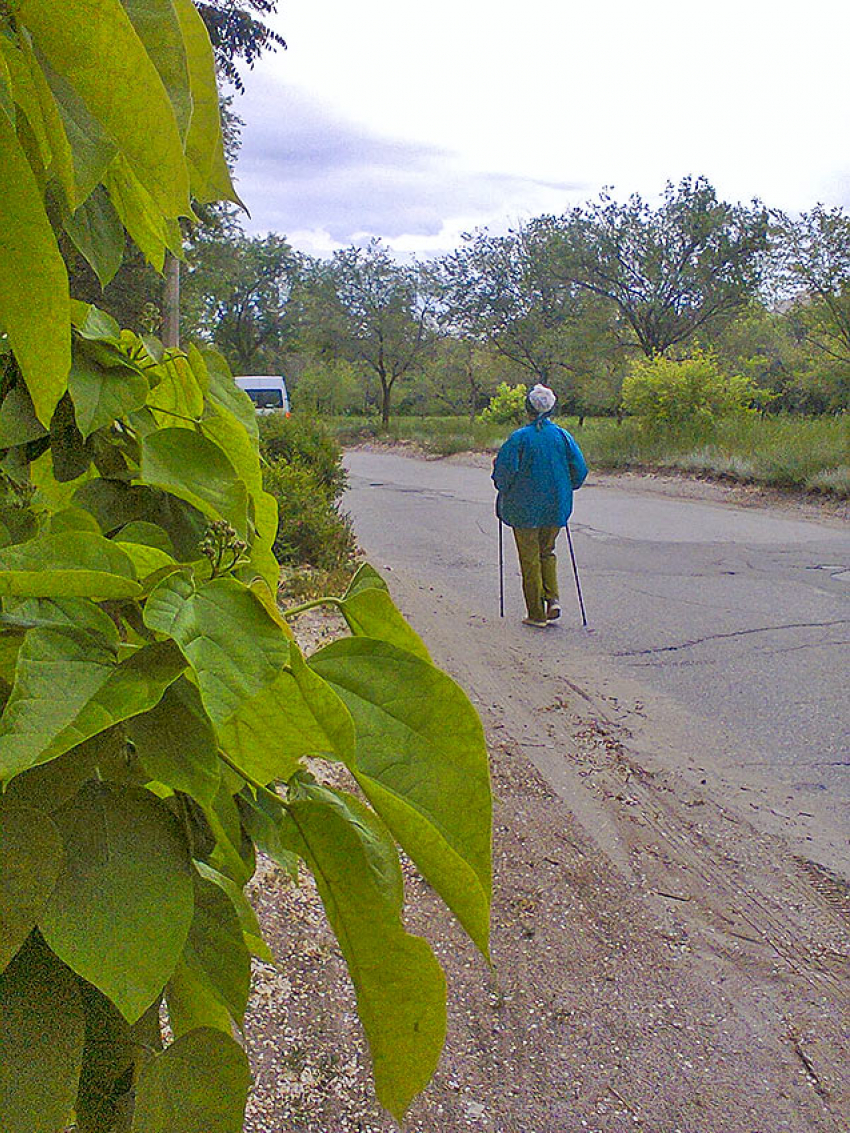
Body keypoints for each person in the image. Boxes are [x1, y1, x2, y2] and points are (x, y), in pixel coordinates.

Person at [492, 383, 588, 628]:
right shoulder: (563, 436)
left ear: (528, 409)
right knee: (547, 551)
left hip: (524, 509)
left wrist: (501, 486)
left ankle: (536, 614)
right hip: (556, 506)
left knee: (530, 558)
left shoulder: (519, 437)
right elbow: (579, 470)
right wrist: (567, 487)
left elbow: (503, 473)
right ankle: (552, 599)